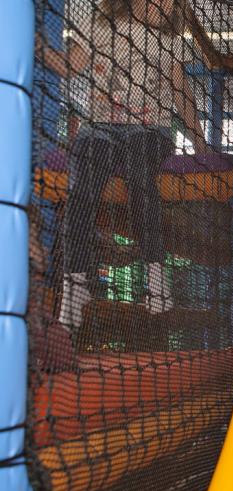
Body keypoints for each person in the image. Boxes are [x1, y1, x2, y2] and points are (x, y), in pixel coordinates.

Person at [37, 0, 207, 329]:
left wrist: (199, 140)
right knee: (83, 184)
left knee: (140, 172)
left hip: (149, 130)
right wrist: (39, 47)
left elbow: (179, 90)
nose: (161, 5)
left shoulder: (169, 39)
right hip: (99, 128)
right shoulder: (99, 26)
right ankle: (76, 284)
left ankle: (156, 278)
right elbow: (70, 65)